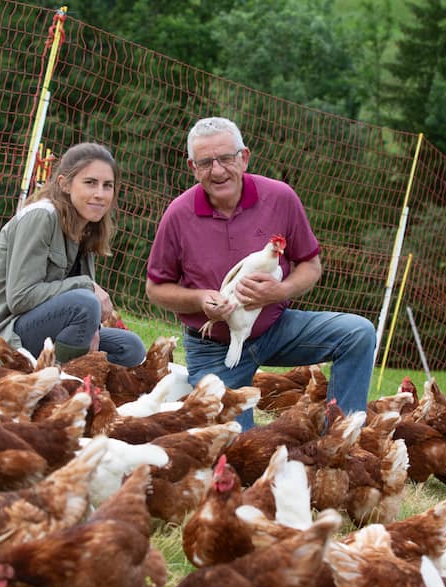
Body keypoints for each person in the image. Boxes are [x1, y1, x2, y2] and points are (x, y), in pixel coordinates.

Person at [146, 117, 375, 429]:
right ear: (192, 167)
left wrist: (279, 292)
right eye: (206, 163)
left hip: (275, 329)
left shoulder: (280, 197)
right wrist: (201, 299)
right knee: (239, 449)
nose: (218, 171)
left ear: (244, 157)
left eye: (226, 158)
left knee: (358, 333)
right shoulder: (178, 215)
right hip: (215, 345)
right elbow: (156, 288)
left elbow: (310, 265)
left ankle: (339, 437)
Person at [0, 142, 146, 367]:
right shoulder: (41, 217)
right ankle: (60, 383)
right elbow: (21, 298)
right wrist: (86, 287)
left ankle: (70, 373)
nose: (100, 194)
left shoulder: (86, 227)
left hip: (36, 326)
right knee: (85, 302)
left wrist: (91, 326)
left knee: (130, 348)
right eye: (90, 183)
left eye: (108, 185)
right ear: (65, 184)